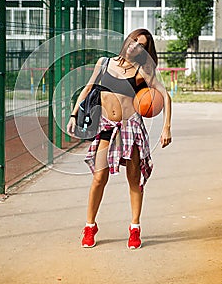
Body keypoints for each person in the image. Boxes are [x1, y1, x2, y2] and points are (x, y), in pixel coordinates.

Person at [67, 29, 172, 249]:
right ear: (127, 40)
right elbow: (87, 89)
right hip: (106, 127)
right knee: (98, 178)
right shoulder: (104, 63)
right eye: (134, 40)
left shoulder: (143, 71)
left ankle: (135, 228)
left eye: (141, 45)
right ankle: (90, 226)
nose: (135, 46)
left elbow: (165, 96)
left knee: (134, 180)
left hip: (130, 127)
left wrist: (166, 128)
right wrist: (74, 114)